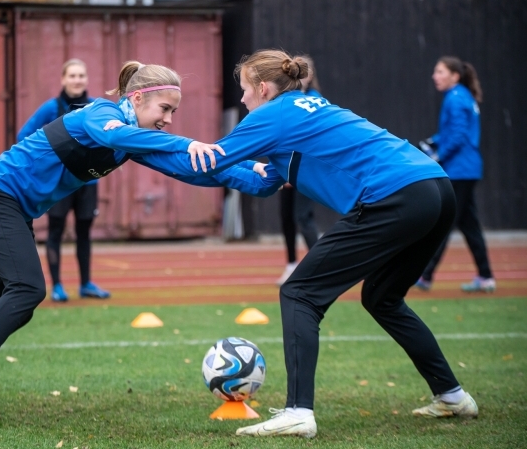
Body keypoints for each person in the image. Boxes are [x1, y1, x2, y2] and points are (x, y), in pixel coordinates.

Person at [140, 50, 477, 438]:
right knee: (382, 297)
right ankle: (452, 395)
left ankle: (299, 411)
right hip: (435, 187)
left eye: (245, 91)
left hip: (395, 195)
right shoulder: (310, 106)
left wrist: (137, 146)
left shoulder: (271, 115)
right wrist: (257, 170)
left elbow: (204, 163)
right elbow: (263, 182)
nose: (243, 100)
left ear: (263, 88)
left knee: (299, 293)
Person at [0, 61, 274, 415]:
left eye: (173, 111)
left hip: (13, 207)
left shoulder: (133, 141)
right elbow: (113, 135)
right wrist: (189, 142)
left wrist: (256, 173)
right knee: (26, 291)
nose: (168, 119)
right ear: (136, 98)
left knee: (12, 304)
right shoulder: (100, 114)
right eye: (165, 108)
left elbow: (193, 169)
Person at [16, 59, 109, 302]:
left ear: (87, 80)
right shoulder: (50, 108)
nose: (77, 80)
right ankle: (57, 286)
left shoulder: (96, 108)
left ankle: (86, 284)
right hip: (59, 185)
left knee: (84, 233)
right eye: (72, 76)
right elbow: (24, 135)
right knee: (55, 232)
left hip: (87, 184)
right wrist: (44, 163)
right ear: (63, 79)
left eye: (81, 76)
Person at [414, 57, 495, 293]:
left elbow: (458, 136)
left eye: (439, 72)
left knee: (443, 223)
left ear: (454, 76)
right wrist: (434, 141)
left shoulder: (455, 98)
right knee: (469, 225)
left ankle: (426, 275)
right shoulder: (460, 96)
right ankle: (486, 276)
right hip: (466, 169)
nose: (434, 76)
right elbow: (451, 133)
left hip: (460, 170)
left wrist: (438, 155)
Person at [276, 54, 320, 286]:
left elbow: (306, 140)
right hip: (287, 170)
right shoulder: (285, 101)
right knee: (286, 217)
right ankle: (291, 265)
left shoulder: (315, 101)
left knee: (303, 217)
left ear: (309, 75)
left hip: (305, 171)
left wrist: (293, 172)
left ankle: (322, 267)